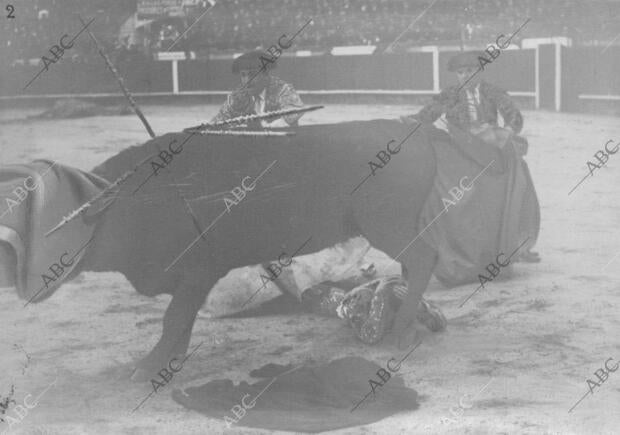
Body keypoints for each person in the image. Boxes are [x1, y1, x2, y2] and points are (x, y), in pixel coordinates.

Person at [400, 50, 541, 288]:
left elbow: (514, 117)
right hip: (461, 149)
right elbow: (428, 115)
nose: (465, 75)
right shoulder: (450, 95)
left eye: (469, 71)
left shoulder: (492, 91)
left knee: (519, 181)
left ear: (479, 72)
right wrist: (410, 121)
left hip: (489, 148)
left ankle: (518, 243)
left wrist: (506, 132)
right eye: (461, 72)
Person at [210, 50, 305, 128]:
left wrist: (271, 126)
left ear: (266, 74)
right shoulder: (237, 97)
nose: (247, 80)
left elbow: (295, 111)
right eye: (243, 75)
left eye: (252, 74)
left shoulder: (282, 90)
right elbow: (218, 122)